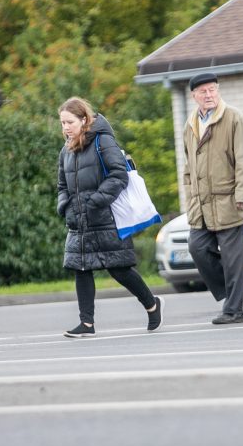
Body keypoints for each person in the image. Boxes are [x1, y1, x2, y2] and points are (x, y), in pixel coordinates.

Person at [56, 97, 163, 338]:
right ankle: (87, 324)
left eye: (70, 122)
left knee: (119, 269)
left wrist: (96, 200)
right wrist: (65, 205)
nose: (65, 128)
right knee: (81, 267)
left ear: (84, 119)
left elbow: (118, 175)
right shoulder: (66, 150)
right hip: (79, 221)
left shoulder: (103, 142)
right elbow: (62, 184)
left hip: (106, 216)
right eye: (62, 123)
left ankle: (152, 304)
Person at [182, 72, 243, 325]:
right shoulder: (190, 124)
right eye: (203, 91)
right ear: (194, 96)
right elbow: (188, 167)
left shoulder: (234, 118)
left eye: (213, 89)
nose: (209, 95)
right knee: (197, 247)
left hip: (231, 200)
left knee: (234, 259)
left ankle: (234, 310)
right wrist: (191, 197)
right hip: (202, 205)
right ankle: (235, 292)